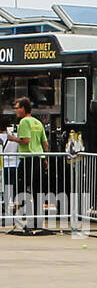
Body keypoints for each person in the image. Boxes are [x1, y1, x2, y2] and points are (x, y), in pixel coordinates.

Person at [12, 97, 49, 232]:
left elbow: (26, 140)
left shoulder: (24, 122)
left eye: (17, 108)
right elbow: (45, 143)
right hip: (39, 158)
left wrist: (13, 139)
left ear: (23, 108)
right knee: (37, 191)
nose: (16, 110)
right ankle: (37, 221)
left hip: (28, 159)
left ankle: (23, 214)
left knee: (20, 188)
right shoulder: (37, 122)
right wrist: (45, 158)